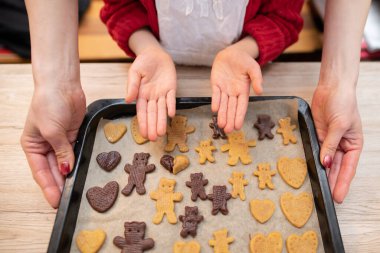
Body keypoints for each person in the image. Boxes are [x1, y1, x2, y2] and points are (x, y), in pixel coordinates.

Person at [21, 0, 368, 208]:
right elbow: (121, 8)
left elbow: (283, 17)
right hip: (152, 69)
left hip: (254, 72)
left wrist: (339, 80)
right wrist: (57, 81)